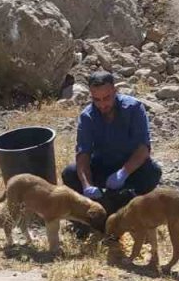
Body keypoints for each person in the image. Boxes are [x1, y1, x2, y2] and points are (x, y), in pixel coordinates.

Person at [61, 70, 163, 217]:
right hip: (102, 169)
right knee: (70, 173)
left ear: (115, 91)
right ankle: (91, 213)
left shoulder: (133, 109)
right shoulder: (87, 116)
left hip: (129, 170)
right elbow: (83, 153)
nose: (102, 104)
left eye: (107, 98)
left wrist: (123, 173)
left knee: (152, 171)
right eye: (97, 99)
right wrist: (87, 185)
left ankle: (130, 209)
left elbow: (143, 148)